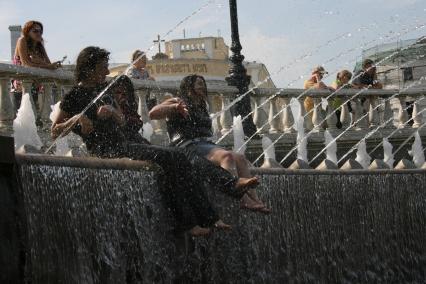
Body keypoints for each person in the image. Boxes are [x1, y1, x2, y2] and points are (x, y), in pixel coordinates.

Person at [51, 46, 257, 236]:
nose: (106, 72)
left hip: (127, 144)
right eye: (103, 67)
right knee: (174, 156)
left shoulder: (103, 92)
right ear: (89, 68)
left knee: (181, 157)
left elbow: (122, 121)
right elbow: (55, 131)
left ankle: (219, 202)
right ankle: (201, 216)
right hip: (107, 149)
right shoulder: (75, 95)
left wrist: (114, 113)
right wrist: (76, 119)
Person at [149, 74, 270, 213]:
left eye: (203, 84)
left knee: (241, 158)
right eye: (199, 83)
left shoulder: (202, 105)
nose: (202, 86)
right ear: (189, 87)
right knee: (227, 157)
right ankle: (243, 199)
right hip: (186, 146)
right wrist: (175, 107)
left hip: (205, 144)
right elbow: (153, 113)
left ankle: (256, 200)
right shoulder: (178, 101)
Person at [13, 20, 62, 120]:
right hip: (22, 83)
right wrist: (47, 66)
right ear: (27, 31)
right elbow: (26, 63)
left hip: (36, 84)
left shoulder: (39, 45)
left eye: (40, 31)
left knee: (35, 116)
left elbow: (49, 63)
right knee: (24, 116)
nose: (38, 33)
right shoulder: (22, 40)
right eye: (35, 31)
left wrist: (53, 65)